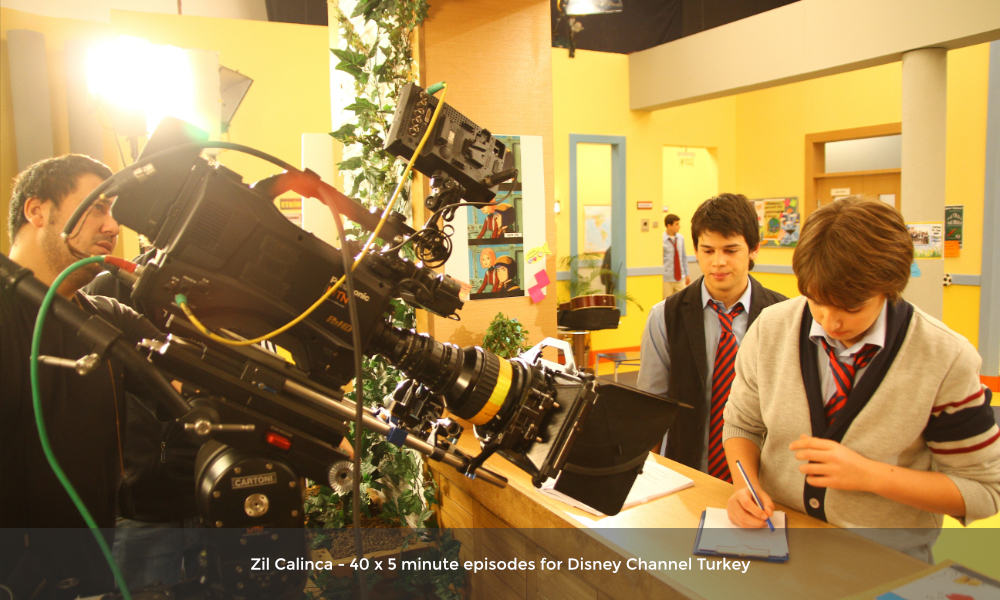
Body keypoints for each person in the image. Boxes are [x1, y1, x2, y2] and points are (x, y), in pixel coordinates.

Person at [723, 196, 1000, 561]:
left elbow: (983, 491)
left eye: (851, 307)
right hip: (779, 547)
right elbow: (741, 425)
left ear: (890, 287)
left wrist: (871, 476)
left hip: (885, 561)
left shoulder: (944, 357)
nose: (829, 321)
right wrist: (746, 486)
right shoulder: (772, 328)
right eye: (815, 301)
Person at [1, 155, 164, 595]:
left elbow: (191, 379)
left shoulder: (109, 318)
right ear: (37, 211)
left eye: (114, 211)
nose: (113, 226)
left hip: (90, 572)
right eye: (97, 207)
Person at [637, 194, 787, 481]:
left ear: (754, 249)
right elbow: (651, 406)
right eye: (708, 250)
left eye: (730, 250)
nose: (718, 262)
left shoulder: (782, 316)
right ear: (696, 250)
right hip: (684, 473)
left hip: (763, 478)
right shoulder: (665, 316)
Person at [662, 214, 690, 298]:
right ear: (669, 226)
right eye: (676, 224)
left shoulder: (680, 238)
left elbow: (683, 257)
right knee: (666, 302)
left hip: (680, 277)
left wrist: (687, 274)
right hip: (667, 278)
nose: (679, 226)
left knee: (683, 299)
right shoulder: (661, 239)